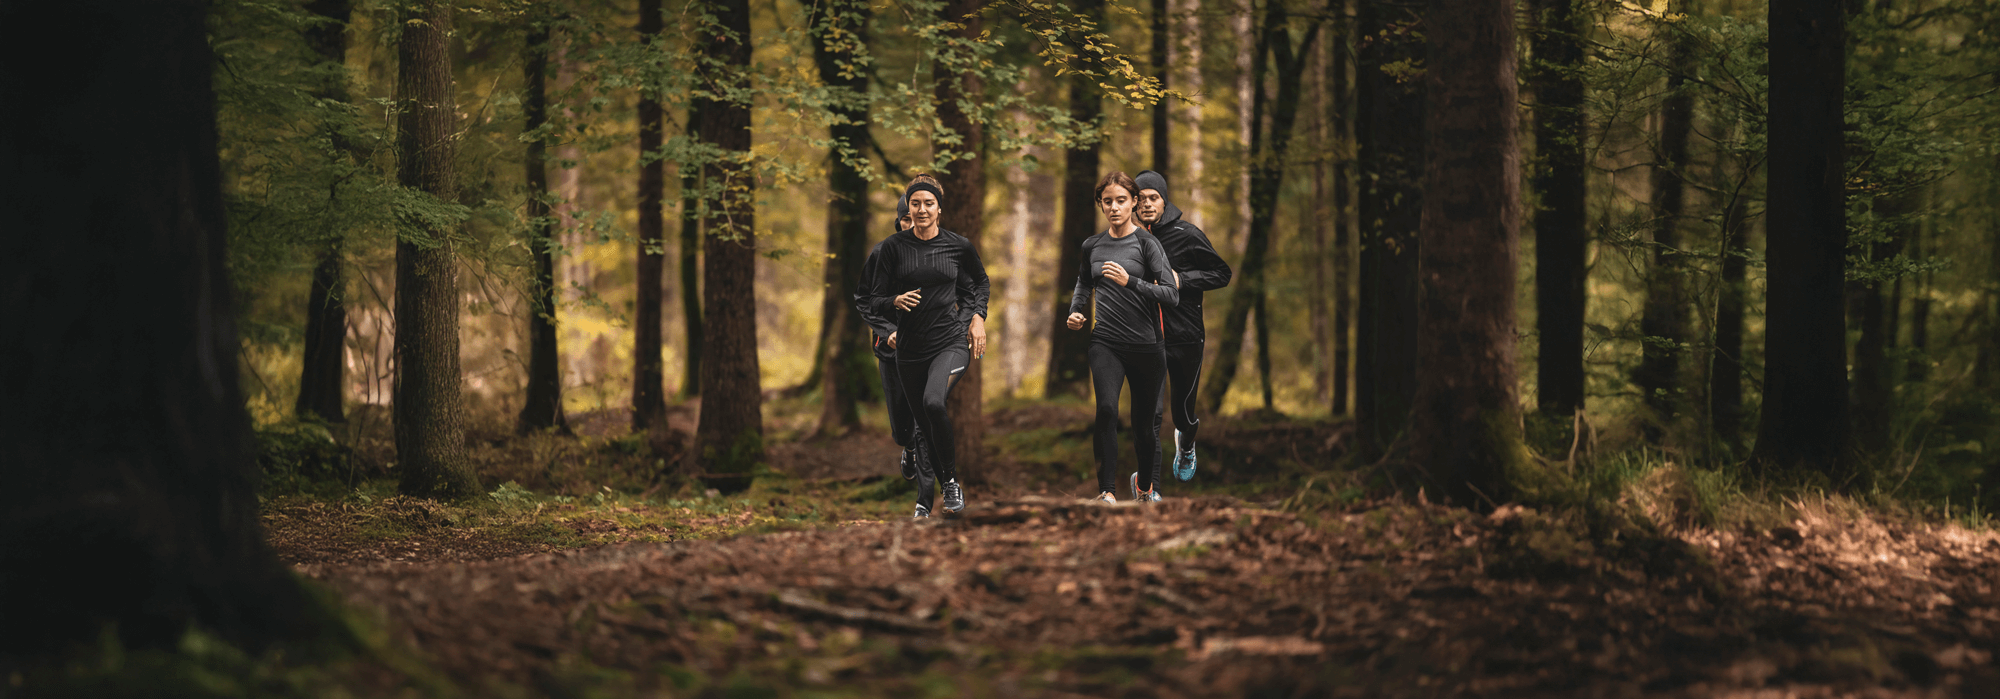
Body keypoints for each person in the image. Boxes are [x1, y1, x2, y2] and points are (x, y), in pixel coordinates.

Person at [857, 175, 989, 517]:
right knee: (915, 426)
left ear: (939, 209)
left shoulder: (958, 246)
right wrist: (894, 303)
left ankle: (949, 485)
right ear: (907, 208)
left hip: (949, 342)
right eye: (915, 204)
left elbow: (979, 284)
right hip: (908, 351)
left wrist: (977, 319)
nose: (921, 209)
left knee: (933, 403)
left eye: (928, 203)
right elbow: (872, 298)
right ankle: (936, 477)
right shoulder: (891, 248)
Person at [1065, 171, 1179, 504]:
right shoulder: (1093, 246)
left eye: (1121, 201)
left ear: (1133, 203)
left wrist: (1131, 282)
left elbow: (1171, 294)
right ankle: (1106, 492)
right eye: (1107, 202)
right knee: (1106, 411)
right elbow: (1085, 282)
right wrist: (1076, 310)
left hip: (1146, 346)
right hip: (1106, 343)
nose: (1114, 208)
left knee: (1144, 426)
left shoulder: (1147, 243)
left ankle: (1145, 486)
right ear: (1100, 204)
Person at [1133, 170, 1231, 494]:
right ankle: (1151, 490)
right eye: (1141, 198)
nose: (1147, 204)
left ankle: (1187, 441)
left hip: (1187, 337)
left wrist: (1182, 280)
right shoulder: (1128, 239)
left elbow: (1222, 273)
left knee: (1182, 414)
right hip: (1149, 340)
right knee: (1152, 417)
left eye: (1153, 198)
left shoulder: (1187, 234)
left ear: (1164, 201)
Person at [854, 196, 933, 517]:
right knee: (903, 429)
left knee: (924, 422)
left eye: (917, 217)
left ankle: (924, 503)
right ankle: (908, 448)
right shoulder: (882, 254)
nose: (912, 223)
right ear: (899, 221)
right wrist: (888, 331)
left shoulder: (940, 252)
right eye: (906, 219)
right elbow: (864, 300)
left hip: (928, 353)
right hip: (890, 353)